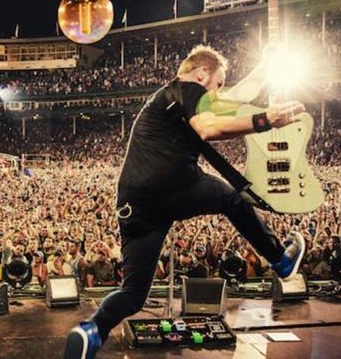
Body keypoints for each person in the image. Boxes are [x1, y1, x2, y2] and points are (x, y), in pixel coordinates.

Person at [63, 45, 308, 359]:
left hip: (134, 204)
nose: (218, 92)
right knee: (233, 199)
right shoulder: (189, 88)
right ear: (202, 73)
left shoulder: (169, 99)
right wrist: (266, 119)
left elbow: (237, 97)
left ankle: (92, 330)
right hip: (169, 182)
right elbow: (209, 128)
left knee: (134, 294)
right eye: (218, 83)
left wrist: (265, 64)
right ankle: (279, 259)